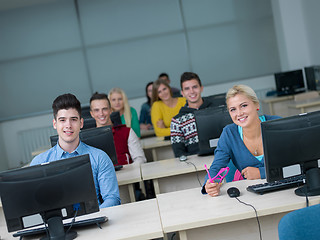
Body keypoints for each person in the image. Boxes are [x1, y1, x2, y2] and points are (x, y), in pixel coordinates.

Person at [30, 93, 120, 208]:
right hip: (58, 224)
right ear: (55, 124)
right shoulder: (38, 163)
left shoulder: (99, 157)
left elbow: (112, 199)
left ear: (81, 123)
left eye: (73, 119)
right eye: (62, 120)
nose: (68, 125)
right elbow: (35, 206)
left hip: (96, 221)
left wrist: (94, 216)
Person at [202, 85, 281, 197]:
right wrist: (210, 183)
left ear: (256, 105)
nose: (239, 113)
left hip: (284, 191)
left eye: (243, 106)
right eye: (233, 109)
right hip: (252, 196)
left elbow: (297, 165)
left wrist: (261, 173)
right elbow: (217, 166)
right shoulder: (229, 133)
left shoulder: (277, 125)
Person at [89, 92, 146, 166]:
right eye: (97, 110)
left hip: (128, 175)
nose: (101, 113)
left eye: (104, 109)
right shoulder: (88, 140)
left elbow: (140, 159)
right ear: (91, 114)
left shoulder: (127, 132)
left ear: (110, 110)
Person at [170, 72, 214, 157]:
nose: (192, 91)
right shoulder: (177, 121)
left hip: (222, 160)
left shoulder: (217, 109)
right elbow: (179, 154)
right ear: (182, 93)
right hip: (196, 164)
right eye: (187, 89)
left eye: (195, 87)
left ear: (201, 88)